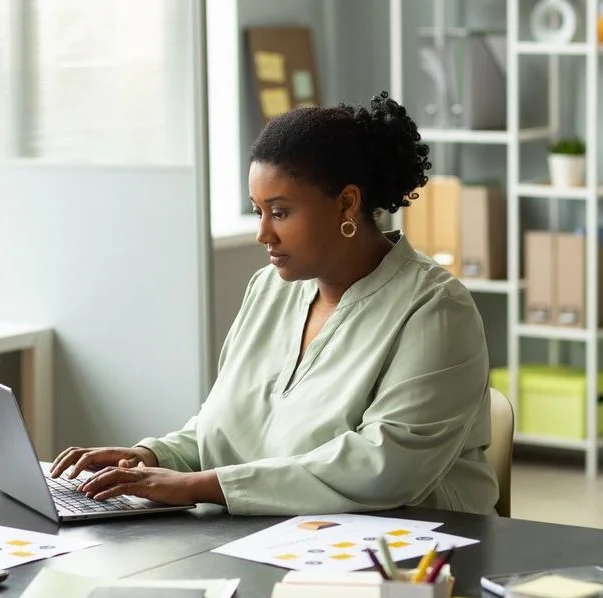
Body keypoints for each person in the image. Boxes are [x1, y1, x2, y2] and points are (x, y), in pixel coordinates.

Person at [50, 91, 499, 516]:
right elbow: (224, 431)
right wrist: (148, 457)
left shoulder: (436, 309)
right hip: (274, 539)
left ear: (347, 204)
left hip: (408, 557)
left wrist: (198, 487)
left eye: (280, 212)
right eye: (257, 210)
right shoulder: (269, 289)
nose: (263, 234)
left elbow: (386, 468)